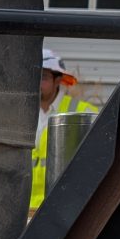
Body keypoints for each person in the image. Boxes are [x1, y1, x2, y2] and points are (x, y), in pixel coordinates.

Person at [31, 46, 100, 209]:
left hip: (61, 209)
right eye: (33, 76)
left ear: (58, 80)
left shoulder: (83, 112)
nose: (36, 82)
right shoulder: (19, 113)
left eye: (43, 77)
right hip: (23, 209)